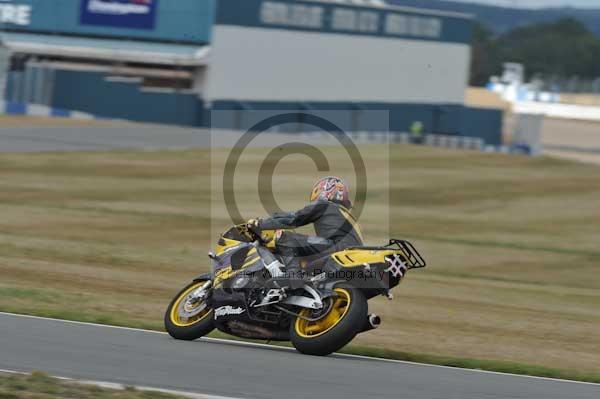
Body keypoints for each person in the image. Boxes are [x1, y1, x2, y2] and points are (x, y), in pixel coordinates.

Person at [249, 176, 364, 278]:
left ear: (324, 190)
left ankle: (292, 277)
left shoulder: (324, 205)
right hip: (354, 255)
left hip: (338, 248)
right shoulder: (345, 214)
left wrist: (260, 224)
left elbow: (293, 219)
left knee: (283, 237)